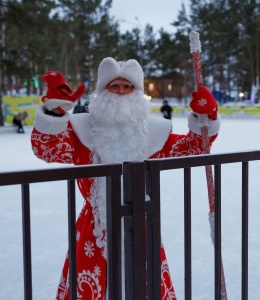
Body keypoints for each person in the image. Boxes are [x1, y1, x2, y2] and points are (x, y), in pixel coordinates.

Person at [31, 57, 221, 300]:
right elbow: (47, 149)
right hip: (94, 229)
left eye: (127, 86)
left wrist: (206, 116)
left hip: (141, 225)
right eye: (114, 86)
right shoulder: (81, 131)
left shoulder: (154, 133)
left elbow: (194, 147)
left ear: (137, 92)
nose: (121, 92)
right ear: (102, 91)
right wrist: (52, 113)